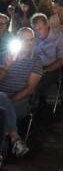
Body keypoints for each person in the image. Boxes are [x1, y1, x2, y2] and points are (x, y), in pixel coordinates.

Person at [0, 27, 42, 158]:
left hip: (20, 100)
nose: (29, 43)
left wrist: (8, 102)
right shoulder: (5, 56)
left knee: (2, 112)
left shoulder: (36, 60)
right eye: (25, 40)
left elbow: (30, 88)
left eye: (31, 40)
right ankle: (16, 140)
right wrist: (6, 66)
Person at [31, 13, 63, 97]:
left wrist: (46, 70)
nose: (37, 32)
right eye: (35, 29)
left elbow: (61, 60)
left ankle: (36, 102)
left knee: (40, 81)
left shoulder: (58, 36)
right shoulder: (32, 36)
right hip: (34, 66)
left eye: (40, 28)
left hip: (52, 68)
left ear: (47, 25)